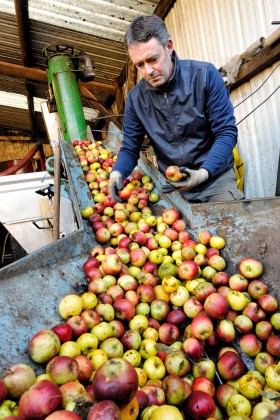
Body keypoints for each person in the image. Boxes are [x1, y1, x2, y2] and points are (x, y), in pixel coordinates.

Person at [108, 14, 245, 203]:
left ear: (169, 46)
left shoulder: (204, 76)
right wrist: (117, 173)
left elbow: (226, 133)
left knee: (228, 226)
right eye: (140, 64)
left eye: (153, 59)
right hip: (175, 187)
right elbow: (130, 148)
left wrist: (204, 173)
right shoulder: (136, 99)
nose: (148, 71)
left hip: (215, 179)